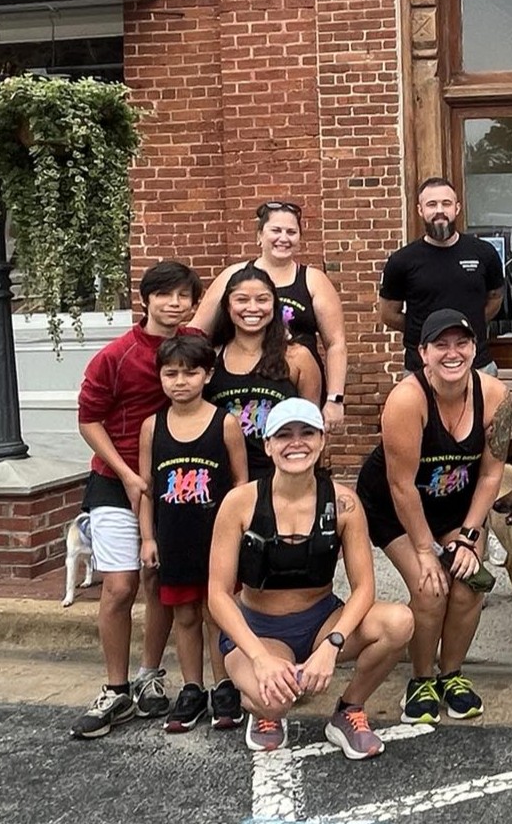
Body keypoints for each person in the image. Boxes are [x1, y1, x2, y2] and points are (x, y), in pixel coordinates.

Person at [207, 398, 414, 759]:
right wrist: (258, 657)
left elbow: (364, 588)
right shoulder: (239, 503)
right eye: (284, 435)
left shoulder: (344, 503)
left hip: (321, 621)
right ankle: (265, 713)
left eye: (307, 433)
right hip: (260, 629)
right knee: (272, 699)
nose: (296, 443)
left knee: (399, 622)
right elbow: (218, 594)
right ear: (268, 445)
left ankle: (349, 709)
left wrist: (331, 645)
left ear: (321, 441)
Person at [355, 309, 512, 724]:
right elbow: (401, 486)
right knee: (431, 588)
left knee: (469, 583)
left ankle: (452, 674)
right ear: (422, 353)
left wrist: (470, 535)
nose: (452, 352)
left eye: (461, 343)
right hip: (394, 503)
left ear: (475, 348)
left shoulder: (494, 395)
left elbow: (491, 472)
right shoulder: (407, 400)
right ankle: (421, 679)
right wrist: (425, 549)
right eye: (440, 344)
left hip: (457, 504)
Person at [71, 260, 204, 740]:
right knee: (120, 586)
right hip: (115, 479)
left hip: (173, 483)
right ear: (145, 299)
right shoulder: (116, 356)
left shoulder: (192, 348)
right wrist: (127, 475)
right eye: (164, 295)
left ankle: (150, 677)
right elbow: (89, 419)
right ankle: (114, 687)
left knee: (159, 579)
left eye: (183, 296)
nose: (174, 303)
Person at [136, 333, 248, 733]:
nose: (180, 381)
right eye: (171, 373)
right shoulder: (153, 427)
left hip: (216, 541)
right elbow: (147, 488)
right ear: (161, 377)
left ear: (207, 375)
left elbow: (241, 485)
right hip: (174, 538)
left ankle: (225, 686)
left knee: (218, 614)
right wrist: (148, 537)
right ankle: (192, 688)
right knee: (184, 615)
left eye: (190, 373)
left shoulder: (226, 423)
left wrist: (238, 537)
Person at [194, 200, 349, 432]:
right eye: (276, 230)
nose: (283, 238)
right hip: (238, 384)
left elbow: (336, 343)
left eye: (291, 232)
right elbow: (197, 332)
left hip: (296, 383)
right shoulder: (233, 276)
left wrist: (334, 399)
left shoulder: (313, 280)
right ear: (259, 235)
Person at [378, 176, 506, 376]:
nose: (439, 210)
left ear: (457, 208)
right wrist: (425, 330)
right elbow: (388, 314)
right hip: (421, 370)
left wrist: (470, 325)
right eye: (431, 204)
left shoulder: (484, 254)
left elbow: (495, 298)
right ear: (420, 210)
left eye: (446, 203)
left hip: (477, 366)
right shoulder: (401, 261)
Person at [205, 265, 323, 475]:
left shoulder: (298, 358)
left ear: (274, 305)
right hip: (223, 479)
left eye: (262, 299)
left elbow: (312, 426)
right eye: (241, 300)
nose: (252, 308)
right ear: (227, 306)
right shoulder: (210, 358)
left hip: (281, 477)